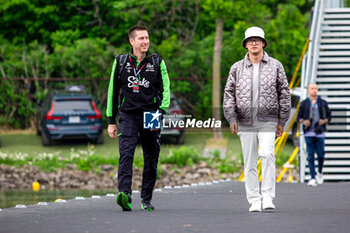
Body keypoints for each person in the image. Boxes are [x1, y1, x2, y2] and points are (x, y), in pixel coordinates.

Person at [223, 26, 291, 212]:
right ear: (245, 45)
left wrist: (281, 121)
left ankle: (268, 196)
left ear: (263, 43)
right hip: (244, 121)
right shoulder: (237, 68)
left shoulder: (276, 66)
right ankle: (254, 199)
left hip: (268, 119)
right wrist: (231, 118)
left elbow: (284, 94)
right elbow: (229, 93)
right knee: (250, 161)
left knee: (267, 154)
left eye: (257, 40)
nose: (254, 43)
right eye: (250, 40)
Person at [106, 26, 170, 211]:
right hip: (128, 114)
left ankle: (146, 199)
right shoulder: (120, 61)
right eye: (141, 38)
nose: (145, 41)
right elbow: (112, 92)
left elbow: (166, 89)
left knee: (151, 157)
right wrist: (111, 121)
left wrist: (161, 112)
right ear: (132, 41)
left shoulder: (158, 62)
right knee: (126, 153)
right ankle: (125, 195)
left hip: (152, 113)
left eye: (147, 38)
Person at [297, 83, 331, 187]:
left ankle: (319, 173)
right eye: (312, 88)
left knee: (321, 155)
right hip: (308, 133)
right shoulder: (303, 103)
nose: (314, 90)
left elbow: (329, 117)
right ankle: (312, 177)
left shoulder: (323, 103)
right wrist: (304, 121)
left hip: (320, 133)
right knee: (310, 156)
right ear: (308, 91)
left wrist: (323, 121)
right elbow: (298, 118)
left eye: (316, 88)